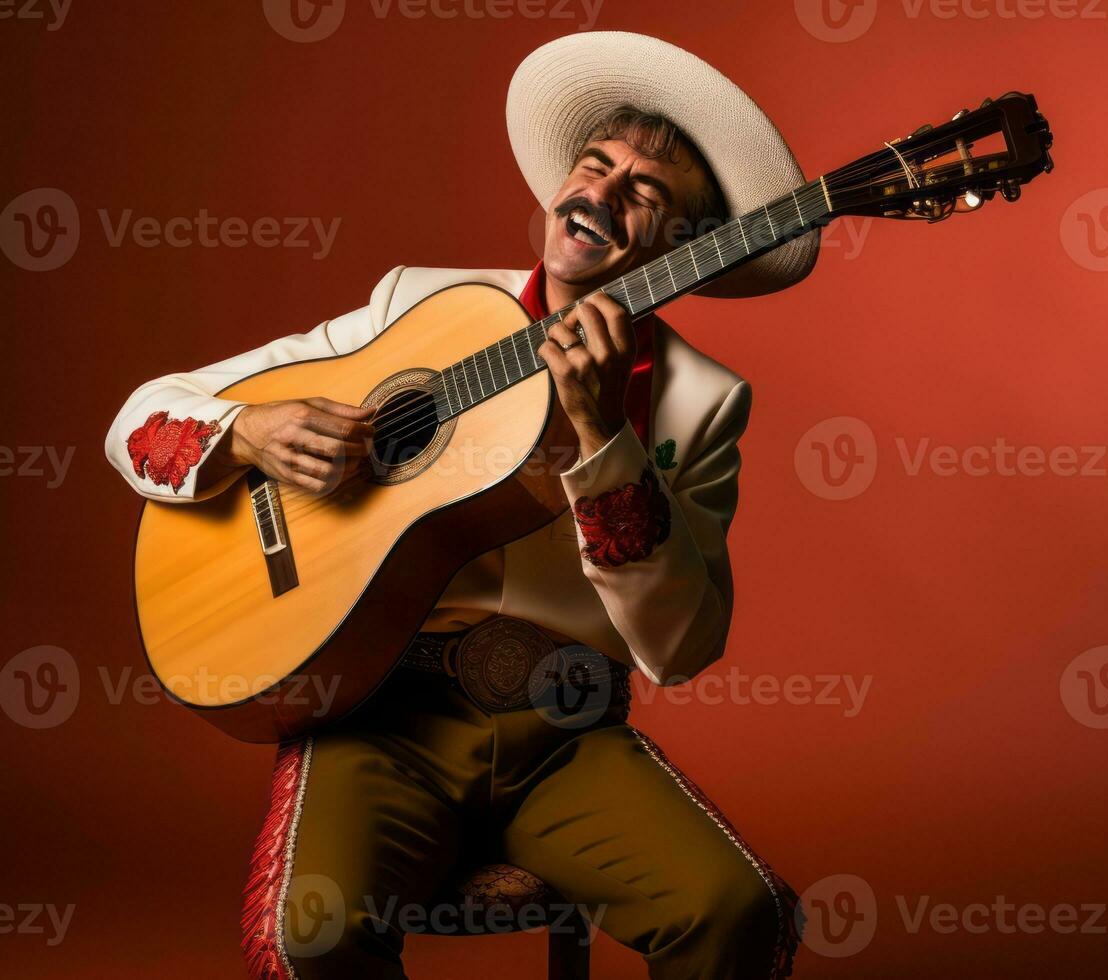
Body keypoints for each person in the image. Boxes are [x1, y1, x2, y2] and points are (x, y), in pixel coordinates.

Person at [106, 31, 817, 980]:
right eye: (594, 165)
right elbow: (142, 416)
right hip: (381, 716)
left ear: (686, 245)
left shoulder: (702, 399)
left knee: (736, 912)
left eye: (644, 193)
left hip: (563, 739)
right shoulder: (419, 305)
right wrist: (247, 435)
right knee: (308, 935)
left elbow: (679, 647)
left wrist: (603, 440)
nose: (599, 196)